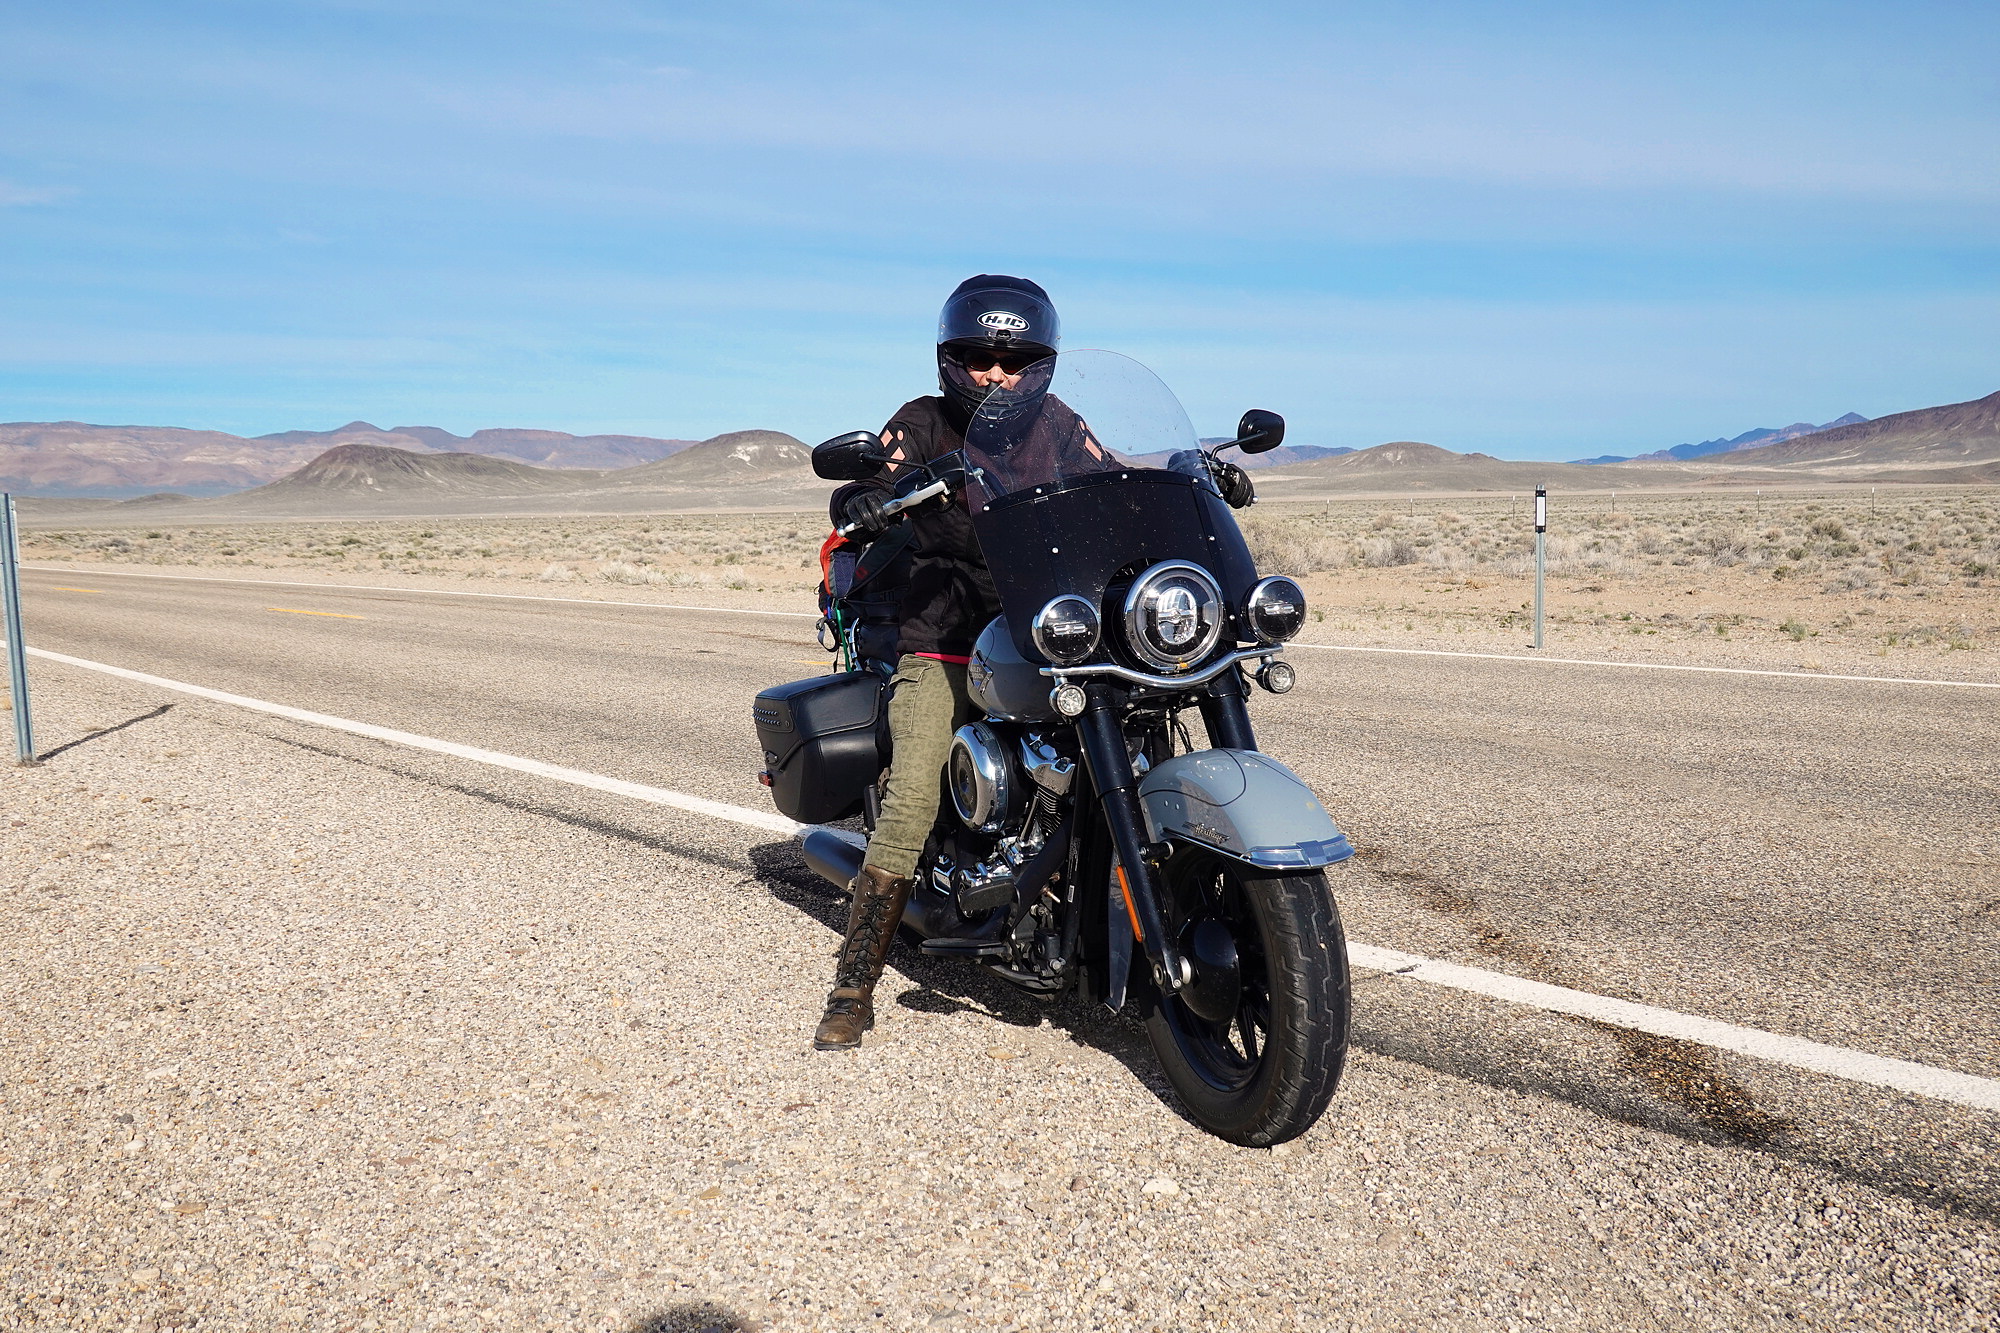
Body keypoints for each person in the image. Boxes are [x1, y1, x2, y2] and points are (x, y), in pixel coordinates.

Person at [812, 274, 1062, 1052]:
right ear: (952, 359)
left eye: (1013, 359)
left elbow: (1110, 465)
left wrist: (1185, 478)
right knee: (916, 787)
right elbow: (877, 475)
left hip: (1041, 637)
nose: (996, 373)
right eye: (981, 357)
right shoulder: (921, 422)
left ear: (1040, 364)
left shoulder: (1057, 425)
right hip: (944, 641)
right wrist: (863, 500)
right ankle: (855, 980)